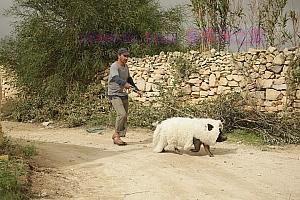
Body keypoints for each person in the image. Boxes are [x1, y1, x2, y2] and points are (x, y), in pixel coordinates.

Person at [108, 48, 142, 146]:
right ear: (119, 56)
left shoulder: (126, 66)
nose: (127, 58)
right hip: (114, 93)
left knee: (125, 116)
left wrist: (136, 89)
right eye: (125, 56)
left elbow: (129, 79)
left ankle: (117, 135)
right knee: (121, 114)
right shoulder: (114, 66)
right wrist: (125, 84)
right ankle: (116, 136)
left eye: (128, 56)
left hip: (123, 93)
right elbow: (115, 78)